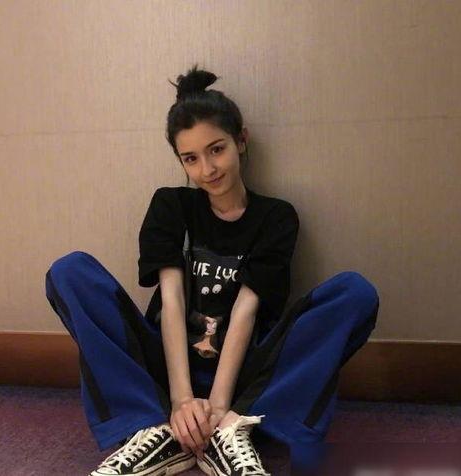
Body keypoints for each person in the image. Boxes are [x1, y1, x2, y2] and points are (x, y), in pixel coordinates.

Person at [45, 64, 380, 475]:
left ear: (241, 140)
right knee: (70, 272)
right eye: (191, 158)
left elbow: (246, 310)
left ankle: (232, 429)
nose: (207, 169)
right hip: (167, 373)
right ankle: (153, 428)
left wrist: (219, 407)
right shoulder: (171, 205)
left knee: (355, 293)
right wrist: (181, 401)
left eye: (217, 149)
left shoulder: (276, 217)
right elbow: (171, 300)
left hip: (245, 378)